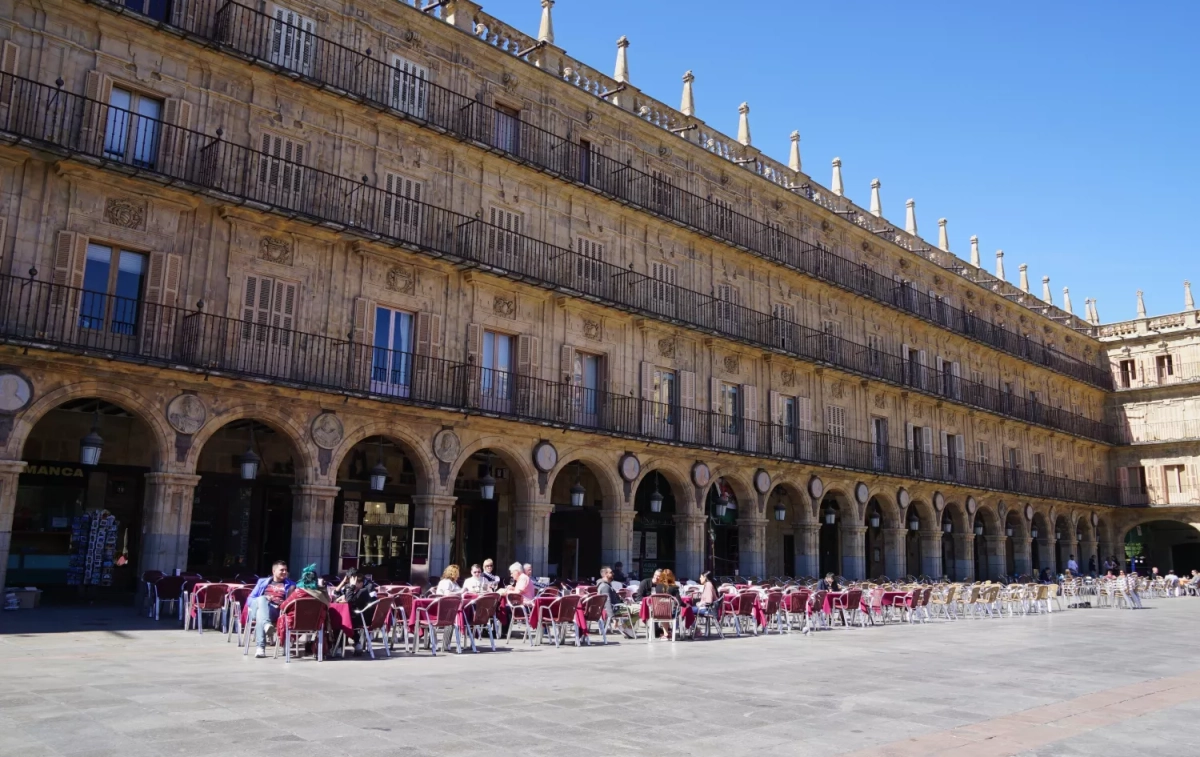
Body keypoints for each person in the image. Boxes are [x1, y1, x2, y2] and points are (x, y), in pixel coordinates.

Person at [248, 561, 295, 658]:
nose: (284, 572)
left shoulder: (291, 584)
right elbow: (250, 599)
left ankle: (260, 648)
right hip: (261, 607)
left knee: (260, 615)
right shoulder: (262, 582)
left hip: (278, 611)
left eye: (286, 570)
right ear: (274, 571)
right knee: (261, 600)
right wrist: (265, 599)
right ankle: (266, 624)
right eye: (281, 570)